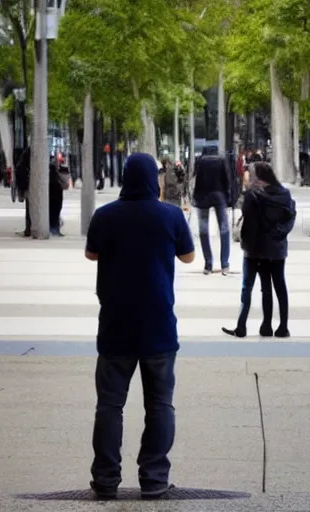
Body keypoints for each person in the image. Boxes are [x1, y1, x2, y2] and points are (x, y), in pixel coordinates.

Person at [85, 153, 195, 500]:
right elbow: (188, 256)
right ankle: (153, 478)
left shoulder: (105, 215)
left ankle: (105, 479)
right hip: (159, 324)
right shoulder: (170, 215)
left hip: (115, 323)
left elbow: (92, 254)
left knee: (109, 405)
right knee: (160, 405)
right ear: (154, 179)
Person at [222, 162, 296, 339]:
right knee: (279, 286)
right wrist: (279, 232)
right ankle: (282, 327)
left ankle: (251, 326)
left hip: (257, 248)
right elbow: (290, 217)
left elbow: (248, 221)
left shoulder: (254, 196)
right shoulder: (284, 194)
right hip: (277, 247)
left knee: (253, 287)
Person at [192, 155, 231, 275]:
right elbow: (227, 180)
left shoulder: (200, 162)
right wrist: (228, 196)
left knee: (203, 229)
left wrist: (195, 198)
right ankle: (225, 264)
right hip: (219, 195)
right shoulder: (221, 161)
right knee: (224, 228)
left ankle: (208, 264)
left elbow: (196, 181)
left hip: (203, 196)